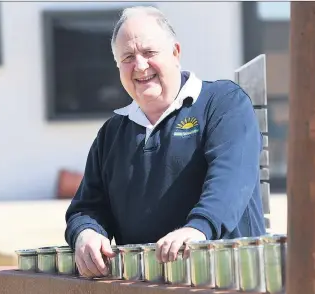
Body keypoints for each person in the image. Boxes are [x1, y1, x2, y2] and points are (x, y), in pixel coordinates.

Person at [64, 6, 266, 278]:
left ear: (175, 53)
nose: (140, 65)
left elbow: (231, 179)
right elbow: (87, 207)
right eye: (127, 57)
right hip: (145, 283)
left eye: (149, 53)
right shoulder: (112, 133)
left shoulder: (223, 103)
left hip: (228, 279)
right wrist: (86, 233)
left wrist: (198, 229)